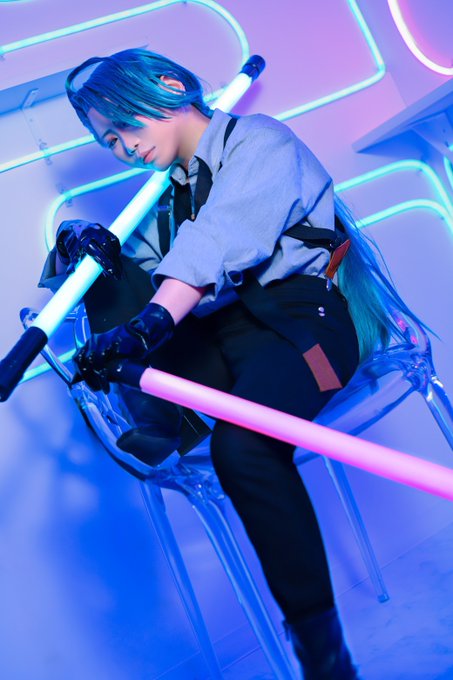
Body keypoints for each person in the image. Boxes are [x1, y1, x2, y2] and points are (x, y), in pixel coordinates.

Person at [39, 48, 422, 679]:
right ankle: (160, 416)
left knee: (243, 447)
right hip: (226, 341)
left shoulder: (259, 141)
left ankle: (324, 658)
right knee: (102, 263)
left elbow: (214, 239)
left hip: (307, 326)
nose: (123, 148)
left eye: (126, 125)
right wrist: (76, 243)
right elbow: (140, 270)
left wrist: (152, 322)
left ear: (169, 86)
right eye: (108, 141)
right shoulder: (167, 199)